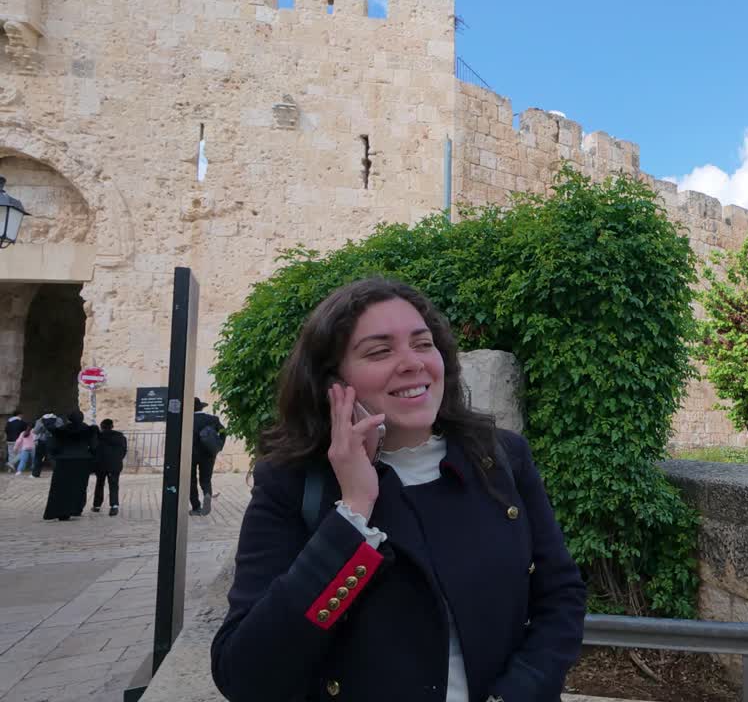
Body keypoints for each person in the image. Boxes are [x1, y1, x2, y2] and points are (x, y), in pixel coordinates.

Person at [211, 278, 586, 702]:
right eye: (380, 351)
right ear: (333, 383)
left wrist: (519, 692)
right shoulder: (293, 481)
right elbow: (245, 675)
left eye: (423, 344)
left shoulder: (501, 458)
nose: (412, 363)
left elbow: (561, 595)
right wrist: (353, 511)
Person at [43, 411, 98, 521]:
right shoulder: (89, 430)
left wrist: (57, 456)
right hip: (82, 460)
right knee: (79, 486)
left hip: (64, 461)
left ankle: (61, 511)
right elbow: (94, 446)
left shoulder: (61, 431)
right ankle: (75, 509)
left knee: (61, 487)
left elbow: (53, 446)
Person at [190, 398, 225, 516]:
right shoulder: (213, 419)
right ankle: (207, 494)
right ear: (201, 407)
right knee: (205, 479)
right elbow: (223, 432)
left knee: (191, 481)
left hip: (190, 455)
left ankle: (196, 507)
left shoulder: (188, 420)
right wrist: (219, 446)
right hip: (209, 454)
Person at [92, 418, 127, 516]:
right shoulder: (121, 437)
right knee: (114, 485)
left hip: (101, 464)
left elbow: (94, 450)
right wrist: (117, 459)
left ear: (102, 427)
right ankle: (114, 506)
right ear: (112, 426)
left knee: (99, 484)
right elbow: (123, 451)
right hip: (115, 464)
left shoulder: (98, 437)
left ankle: (97, 505)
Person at [31, 413, 58, 478]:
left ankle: (35, 474)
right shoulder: (58, 419)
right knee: (52, 457)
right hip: (53, 440)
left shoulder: (40, 420)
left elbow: (35, 431)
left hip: (42, 440)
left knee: (38, 457)